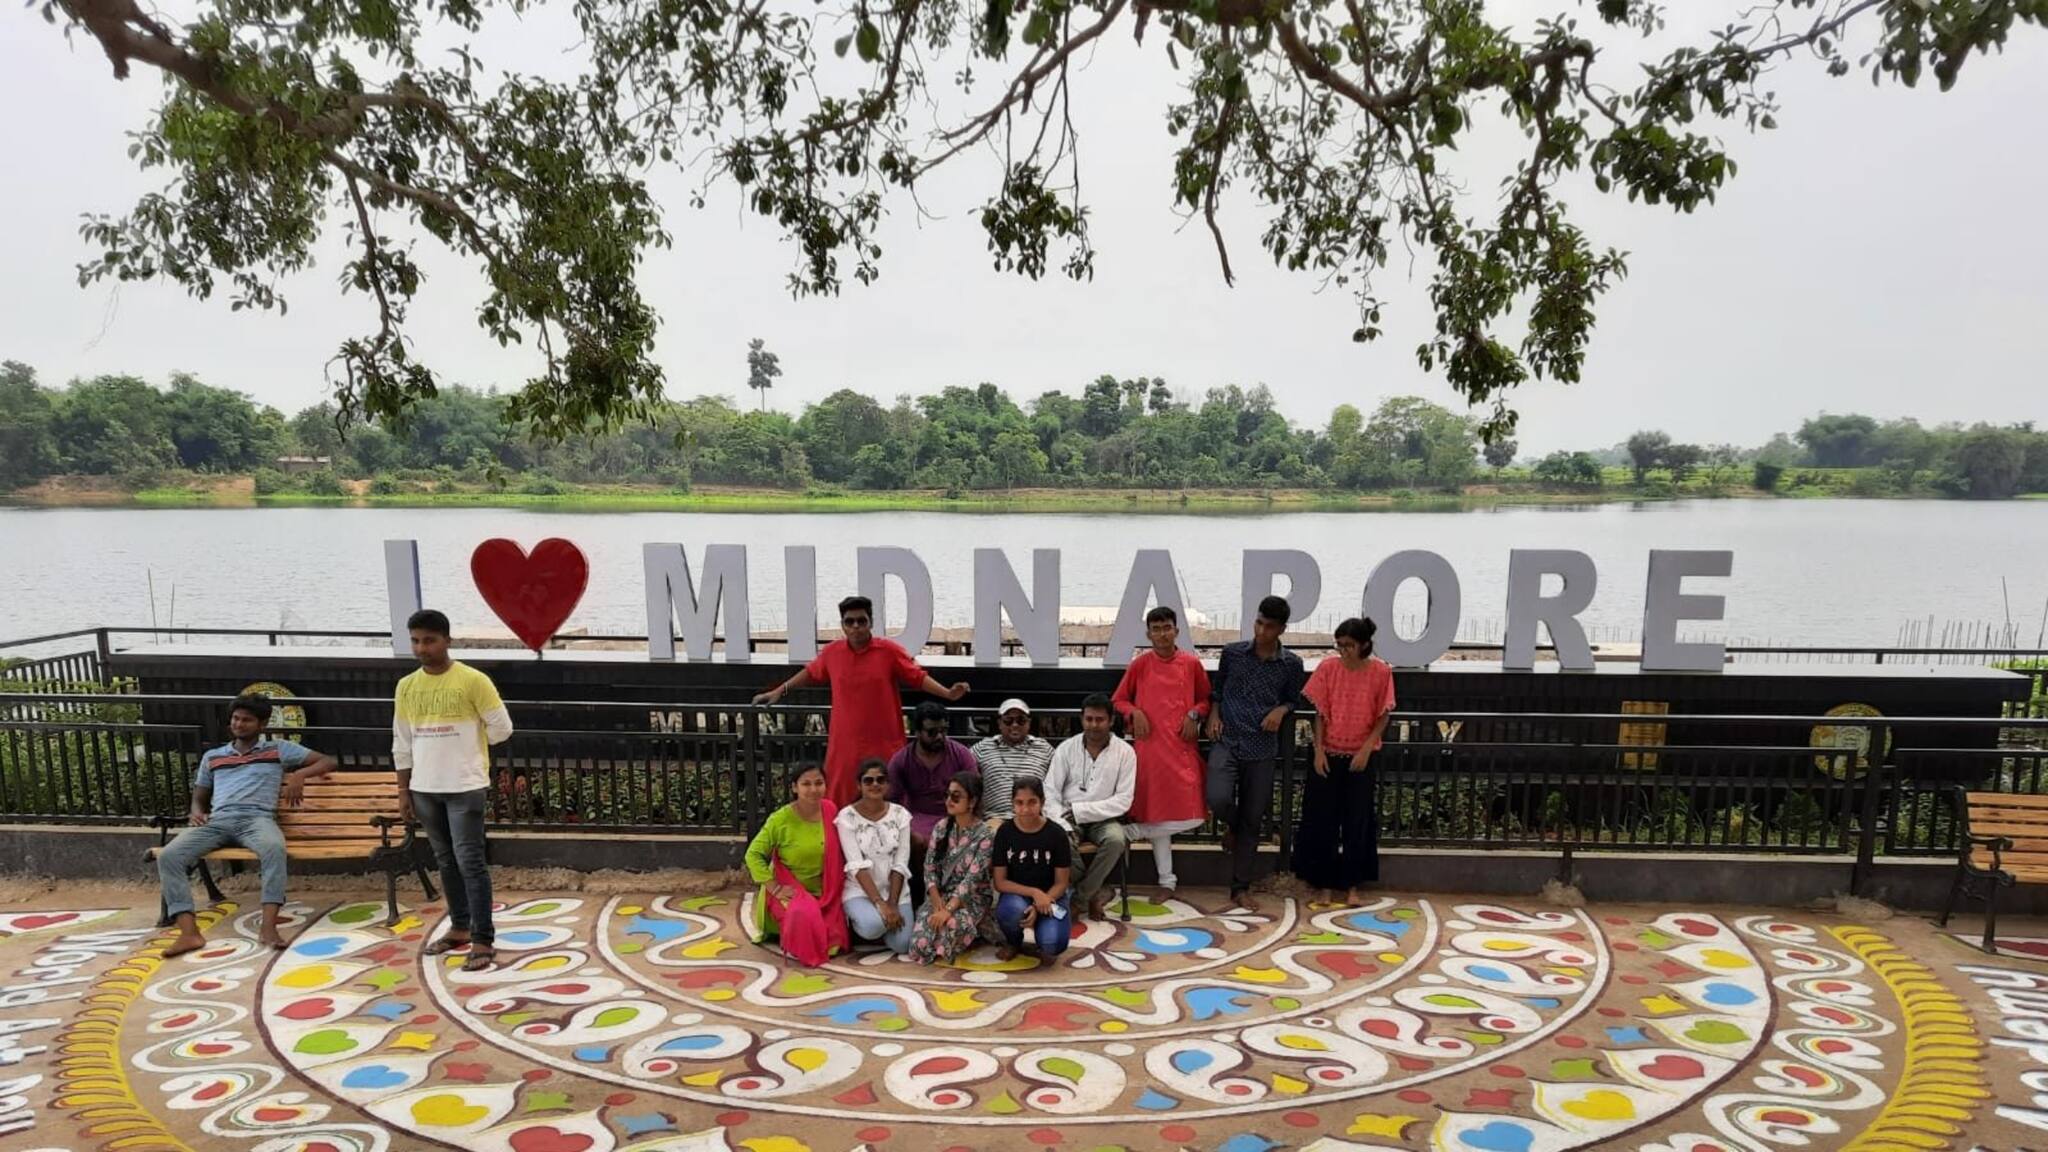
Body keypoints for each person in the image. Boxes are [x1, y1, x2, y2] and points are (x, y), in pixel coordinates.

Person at [158, 694, 337, 956]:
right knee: (169, 856)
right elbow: (199, 795)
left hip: (257, 820)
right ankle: (189, 933)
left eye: (247, 720)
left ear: (262, 725)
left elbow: (328, 761)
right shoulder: (214, 756)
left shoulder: (278, 750)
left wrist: (299, 774)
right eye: (235, 719)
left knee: (274, 849)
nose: (239, 724)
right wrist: (196, 812)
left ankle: (268, 927)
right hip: (218, 821)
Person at [752, 595, 970, 807]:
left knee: (889, 801)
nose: (856, 626)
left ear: (871, 623)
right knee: (839, 802)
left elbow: (918, 677)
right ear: (843, 625)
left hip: (884, 743)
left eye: (861, 621)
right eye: (850, 621)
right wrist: (780, 691)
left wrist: (948, 694)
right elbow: (810, 672)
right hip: (844, 746)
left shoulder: (889, 651)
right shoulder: (832, 653)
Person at [394, 608, 514, 973]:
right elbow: (402, 741)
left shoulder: (472, 681)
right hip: (424, 788)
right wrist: (404, 790)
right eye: (415, 641)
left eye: (429, 640)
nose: (421, 648)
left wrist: (467, 747)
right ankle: (459, 927)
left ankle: (482, 939)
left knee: (470, 862)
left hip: (464, 787)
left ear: (447, 640)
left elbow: (501, 728)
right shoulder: (407, 687)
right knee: (445, 861)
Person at [1205, 595, 1306, 911]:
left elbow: (1294, 699)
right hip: (1228, 739)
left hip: (1262, 746)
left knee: (1252, 817)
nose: (1262, 631)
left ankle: (1240, 887)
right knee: (1217, 797)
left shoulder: (1291, 664)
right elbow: (1218, 691)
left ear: (1282, 629)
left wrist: (1282, 709)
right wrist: (1214, 714)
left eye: (1269, 626)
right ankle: (1232, 826)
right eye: (1259, 623)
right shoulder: (1233, 653)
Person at [1294, 616, 1398, 907]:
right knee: (1322, 821)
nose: (1343, 651)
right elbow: (1320, 711)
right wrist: (1318, 750)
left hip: (1361, 756)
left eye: (1349, 645)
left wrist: (1366, 749)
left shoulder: (1381, 671)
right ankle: (1323, 883)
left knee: (1357, 822)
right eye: (1339, 645)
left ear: (1364, 645)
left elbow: (1383, 714)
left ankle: (1352, 884)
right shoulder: (1329, 668)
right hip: (1330, 753)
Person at [1112, 605, 1210, 903]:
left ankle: (1132, 832)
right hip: (1149, 751)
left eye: (1167, 628)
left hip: (1182, 748)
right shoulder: (1140, 665)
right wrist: (1136, 711)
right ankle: (1167, 882)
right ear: (1148, 634)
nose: (1162, 634)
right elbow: (1118, 699)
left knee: (1196, 814)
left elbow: (1206, 699)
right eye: (1156, 629)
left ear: (1176, 631)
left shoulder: (1191, 664)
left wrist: (1194, 713)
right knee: (1158, 811)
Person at [1042, 694, 1136, 922]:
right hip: (1067, 816)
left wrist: (1080, 810)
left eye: (1100, 719)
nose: (1094, 725)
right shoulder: (1066, 748)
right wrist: (1061, 821)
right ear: (1082, 719)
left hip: (1104, 818)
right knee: (1058, 841)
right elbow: (1051, 790)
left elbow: (1123, 800)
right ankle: (1094, 893)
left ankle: (1080, 899)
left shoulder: (1125, 752)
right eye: (1089, 719)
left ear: (1111, 721)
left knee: (1116, 840)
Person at [744, 764, 850, 966]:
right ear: (794, 788)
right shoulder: (780, 820)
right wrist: (774, 888)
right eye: (806, 784)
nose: (813, 789)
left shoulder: (830, 810)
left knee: (833, 943)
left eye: (818, 783)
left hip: (827, 891)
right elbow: (753, 854)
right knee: (802, 919)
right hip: (791, 890)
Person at [907, 772, 1003, 965]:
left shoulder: (984, 835)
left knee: (948, 932)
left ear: (972, 801)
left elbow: (972, 879)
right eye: (947, 795)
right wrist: (935, 901)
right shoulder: (941, 827)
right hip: (940, 895)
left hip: (971, 898)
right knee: (921, 946)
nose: (949, 800)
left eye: (956, 796)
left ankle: (976, 928)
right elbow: (929, 866)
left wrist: (948, 910)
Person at [836, 758, 915, 954]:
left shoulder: (900, 814)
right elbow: (856, 865)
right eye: (868, 780)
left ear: (888, 784)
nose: (875, 784)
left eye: (880, 780)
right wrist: (880, 904)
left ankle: (886, 923)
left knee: (903, 945)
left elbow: (901, 862)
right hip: (860, 891)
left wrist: (893, 904)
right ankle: (868, 923)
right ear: (859, 785)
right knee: (872, 927)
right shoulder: (847, 817)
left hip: (896, 892)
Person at [992, 778, 1073, 962]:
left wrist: (1040, 903)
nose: (1026, 809)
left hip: (1051, 895)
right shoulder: (1005, 833)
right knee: (1011, 911)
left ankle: (1043, 926)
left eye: (1032, 802)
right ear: (1012, 804)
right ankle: (1014, 941)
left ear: (1042, 802)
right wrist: (1034, 893)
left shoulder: (1056, 834)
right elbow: (1000, 882)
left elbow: (1062, 882)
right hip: (1017, 895)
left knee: (1053, 945)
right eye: (1019, 803)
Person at [887, 701, 981, 851]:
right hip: (916, 818)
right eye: (932, 732)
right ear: (917, 732)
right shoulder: (901, 760)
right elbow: (891, 801)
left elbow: (975, 792)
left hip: (955, 815)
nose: (939, 736)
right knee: (915, 840)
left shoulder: (961, 754)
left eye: (943, 731)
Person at [971, 698, 1054, 820]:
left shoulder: (1044, 748)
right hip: (995, 818)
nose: (1015, 725)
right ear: (999, 723)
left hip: (1034, 817)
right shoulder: (983, 747)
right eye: (1008, 721)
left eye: (1021, 720)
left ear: (1029, 723)